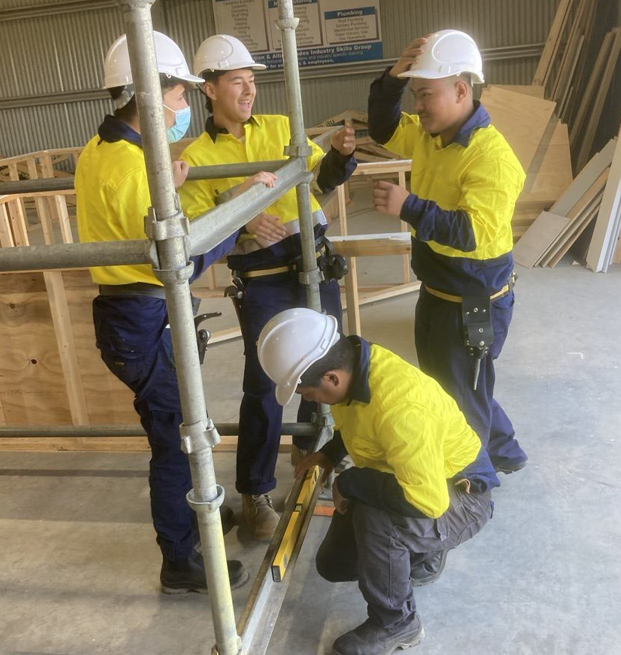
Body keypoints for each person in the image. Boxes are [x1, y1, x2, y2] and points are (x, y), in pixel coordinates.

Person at [75, 31, 274, 594]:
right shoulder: (133, 168)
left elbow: (131, 214)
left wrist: (170, 184)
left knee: (176, 430)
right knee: (176, 439)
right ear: (148, 95)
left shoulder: (102, 150)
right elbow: (179, 256)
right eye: (180, 96)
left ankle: (190, 518)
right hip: (143, 317)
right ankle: (180, 560)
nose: (185, 107)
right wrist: (238, 210)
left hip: (124, 317)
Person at [178, 34, 357, 540]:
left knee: (329, 364)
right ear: (209, 89)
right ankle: (255, 492)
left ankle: (312, 448)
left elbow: (319, 184)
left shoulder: (281, 127)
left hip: (313, 261)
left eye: (252, 81)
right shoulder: (197, 157)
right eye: (237, 81)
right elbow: (197, 233)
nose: (249, 90)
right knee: (264, 384)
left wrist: (341, 158)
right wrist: (243, 222)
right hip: (262, 277)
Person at [257, 307, 499, 655]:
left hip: (459, 494)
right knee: (335, 565)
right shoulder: (356, 366)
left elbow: (426, 502)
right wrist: (328, 454)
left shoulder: (400, 409)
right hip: (418, 475)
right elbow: (358, 423)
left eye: (306, 393)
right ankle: (424, 550)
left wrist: (352, 481)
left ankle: (398, 623)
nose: (307, 399)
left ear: (331, 379)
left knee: (378, 521)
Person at [367, 30, 528, 475]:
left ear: (461, 90)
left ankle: (472, 484)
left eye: (425, 94)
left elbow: (473, 232)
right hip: (439, 288)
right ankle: (507, 452)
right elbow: (383, 127)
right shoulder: (430, 135)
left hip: (473, 301)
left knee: (461, 396)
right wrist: (392, 80)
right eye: (415, 94)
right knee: (453, 386)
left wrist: (409, 207)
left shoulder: (491, 158)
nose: (417, 106)